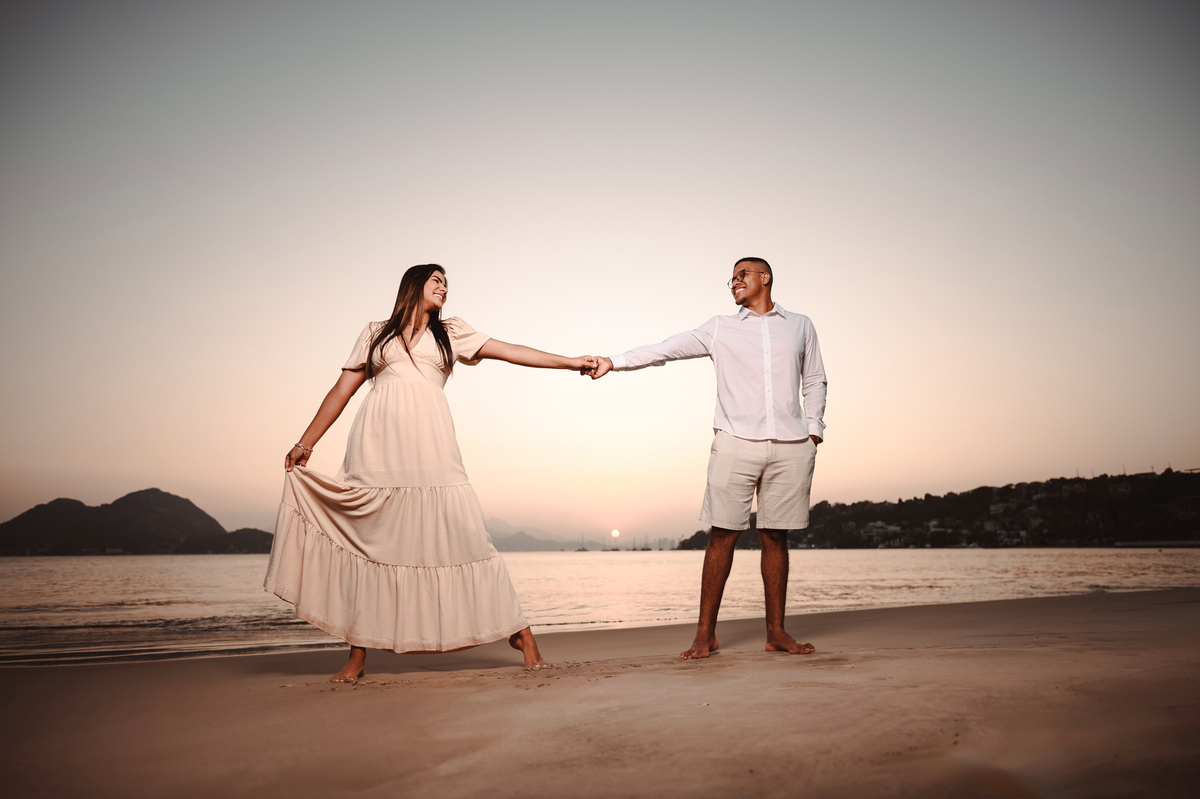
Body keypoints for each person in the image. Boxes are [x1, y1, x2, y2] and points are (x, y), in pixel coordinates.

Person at [264, 263, 597, 682]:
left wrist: (568, 362)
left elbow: (511, 351)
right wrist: (305, 442)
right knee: (373, 543)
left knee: (468, 534)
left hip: (433, 448)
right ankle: (357, 654)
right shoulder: (375, 333)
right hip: (376, 449)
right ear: (414, 284)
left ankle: (521, 633)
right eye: (436, 281)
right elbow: (342, 390)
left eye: (447, 284)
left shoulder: (451, 332)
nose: (444, 288)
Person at [587, 257, 827, 659]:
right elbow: (667, 349)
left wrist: (814, 429)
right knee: (722, 535)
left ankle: (776, 633)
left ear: (764, 278)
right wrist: (616, 361)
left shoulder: (801, 325)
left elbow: (815, 377)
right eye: (731, 277)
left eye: (741, 275)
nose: (733, 282)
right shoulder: (721, 327)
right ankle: (705, 634)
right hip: (735, 441)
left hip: (791, 444)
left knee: (776, 536)